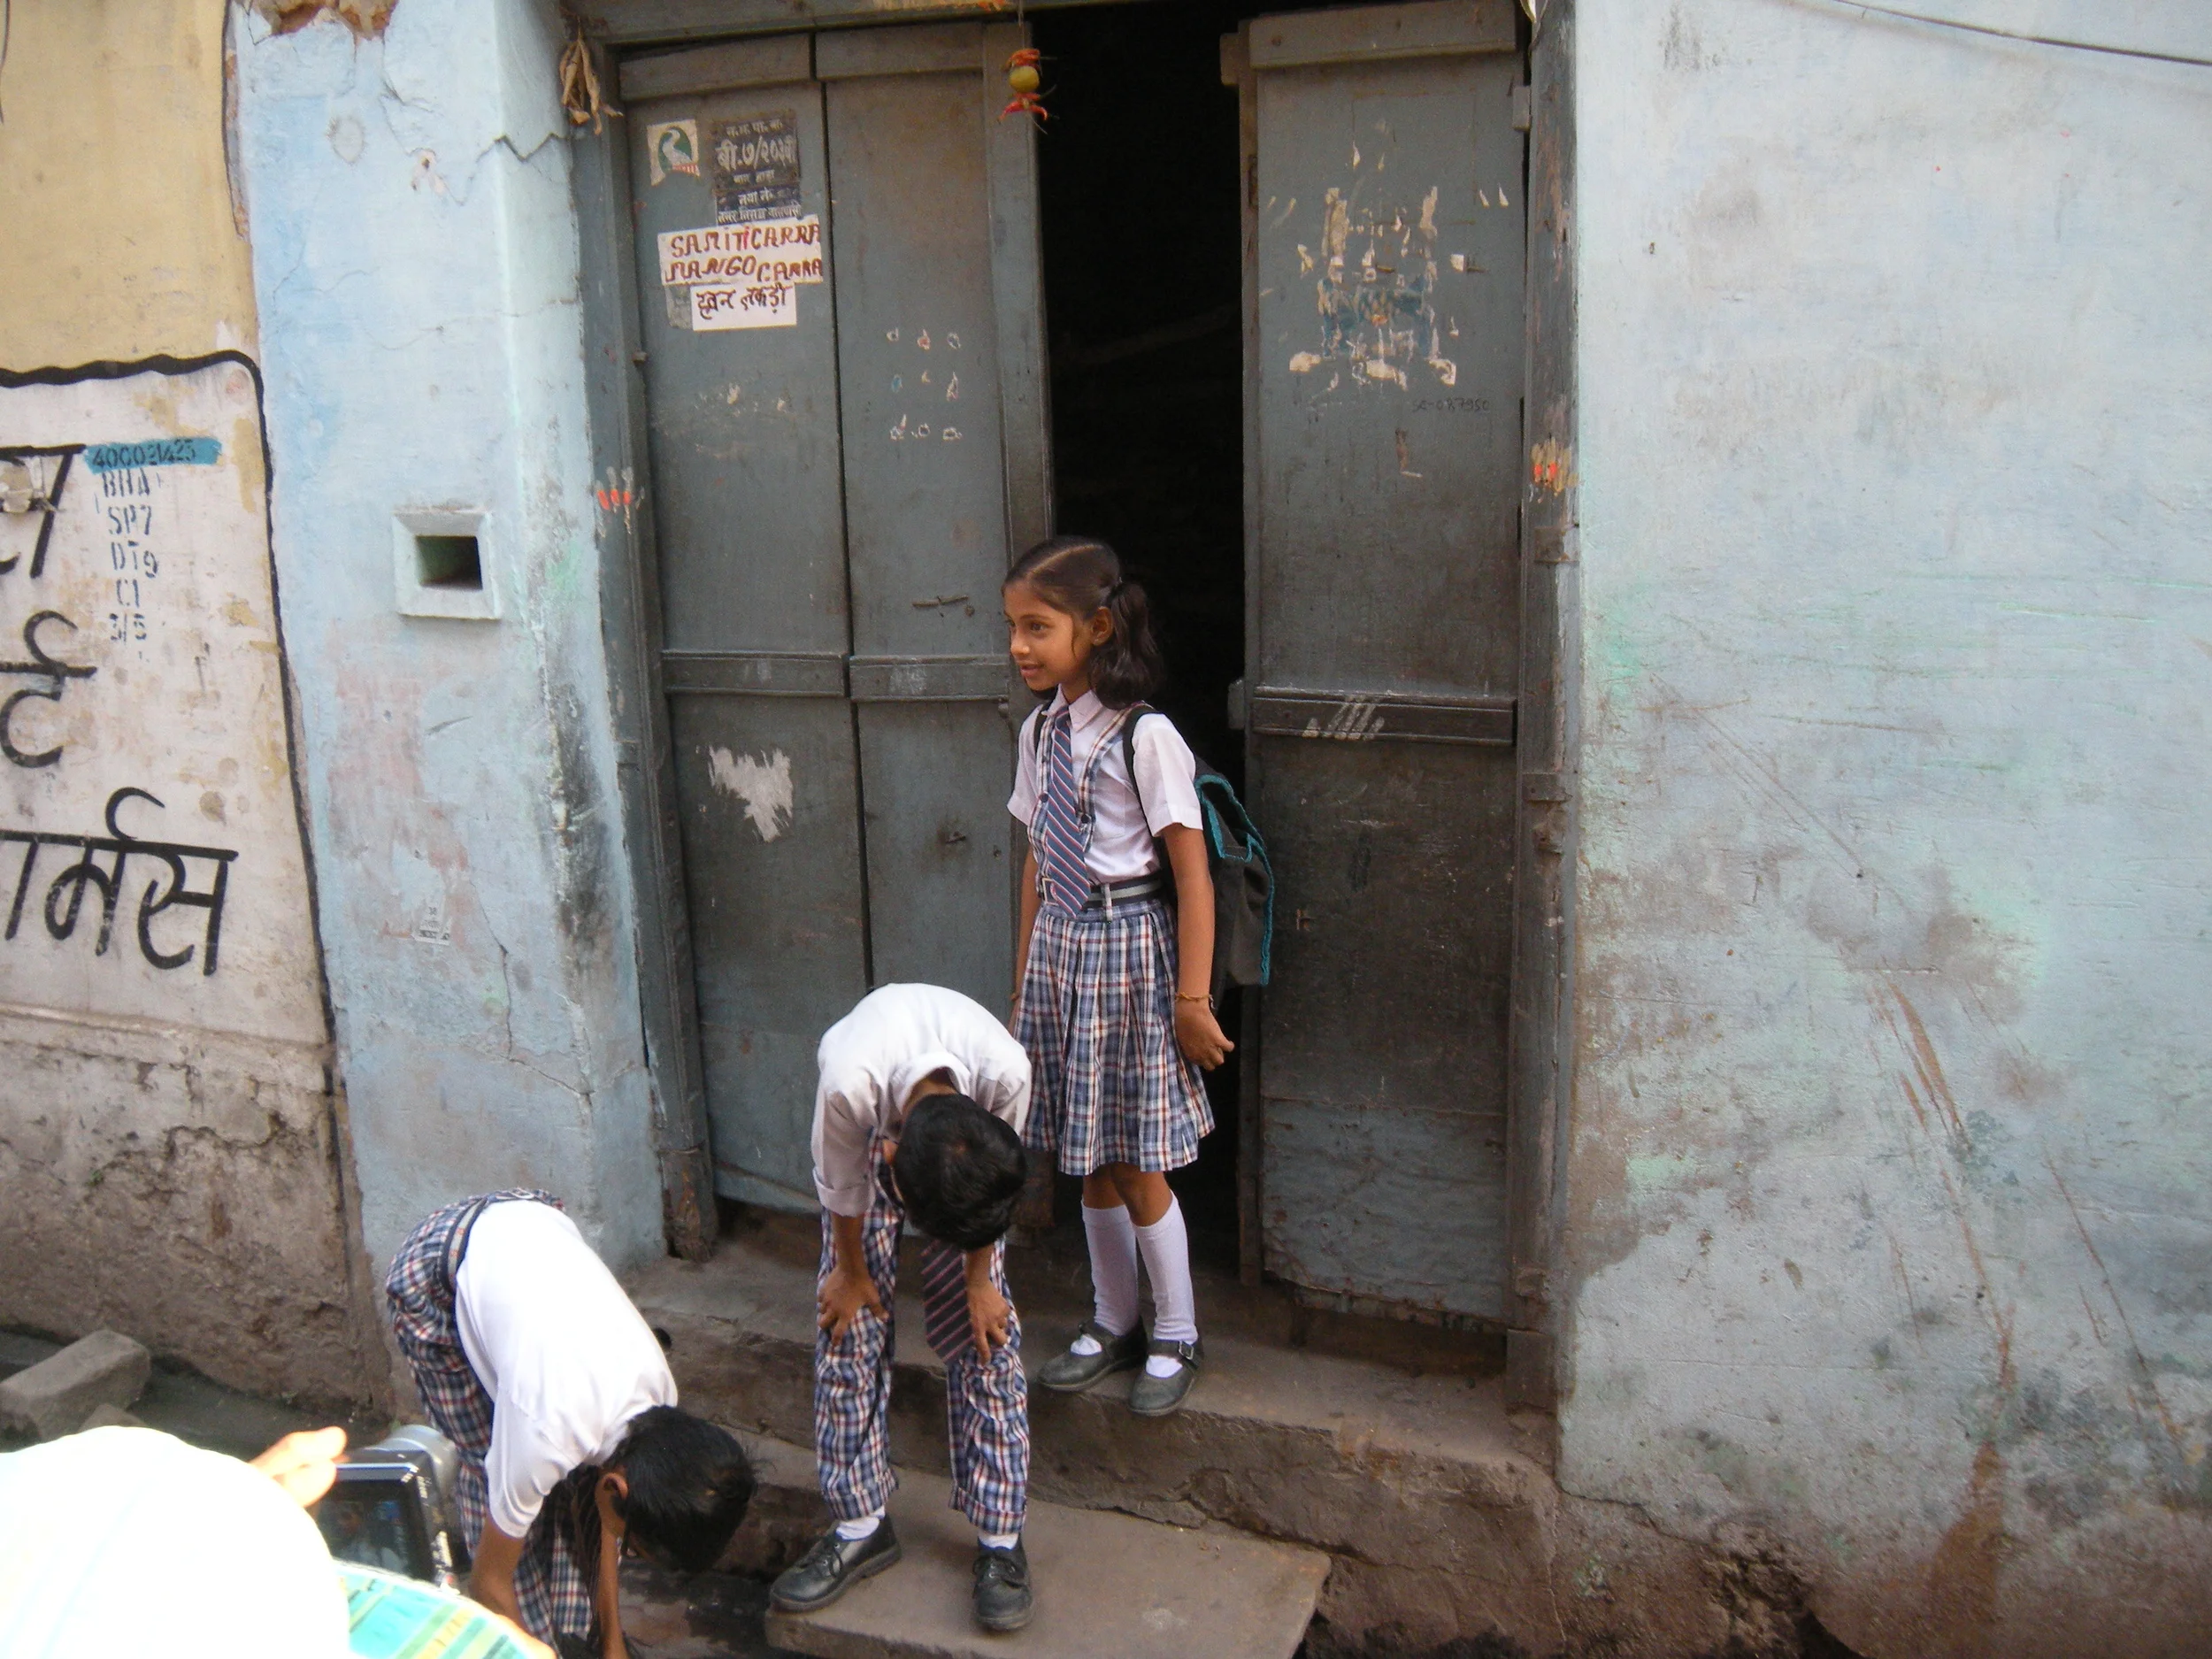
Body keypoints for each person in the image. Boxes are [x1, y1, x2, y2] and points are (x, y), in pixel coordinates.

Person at [1003, 534, 1233, 1418]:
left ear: (1096, 627)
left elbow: (1190, 871)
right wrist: (1025, 977)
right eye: (1013, 628)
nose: (1020, 645)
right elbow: (1034, 860)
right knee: (1084, 1160)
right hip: (1063, 950)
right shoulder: (1039, 731)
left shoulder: (1147, 735)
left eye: (1039, 626)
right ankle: (1111, 1319)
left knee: (1137, 1161)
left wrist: (1191, 998)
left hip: (1131, 950)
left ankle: (1175, 1332)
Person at [769, 983, 1036, 1633]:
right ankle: (860, 1523)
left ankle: (1002, 1539)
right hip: (868, 1144)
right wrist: (854, 1275)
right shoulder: (848, 1087)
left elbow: (988, 1199)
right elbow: (842, 1188)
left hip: (954, 1140)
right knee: (847, 1322)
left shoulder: (1008, 1076)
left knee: (989, 1331)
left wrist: (980, 1281)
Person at [384, 1193, 756, 1657]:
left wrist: (612, 1643)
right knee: (499, 1493)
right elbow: (489, 1584)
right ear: (617, 1489)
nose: (630, 1552)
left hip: (528, 1244)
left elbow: (605, 1513)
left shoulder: (660, 1402)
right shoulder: (547, 1430)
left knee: (565, 1493)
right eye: (637, 1549)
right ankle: (542, 1638)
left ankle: (577, 1633)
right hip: (439, 1270)